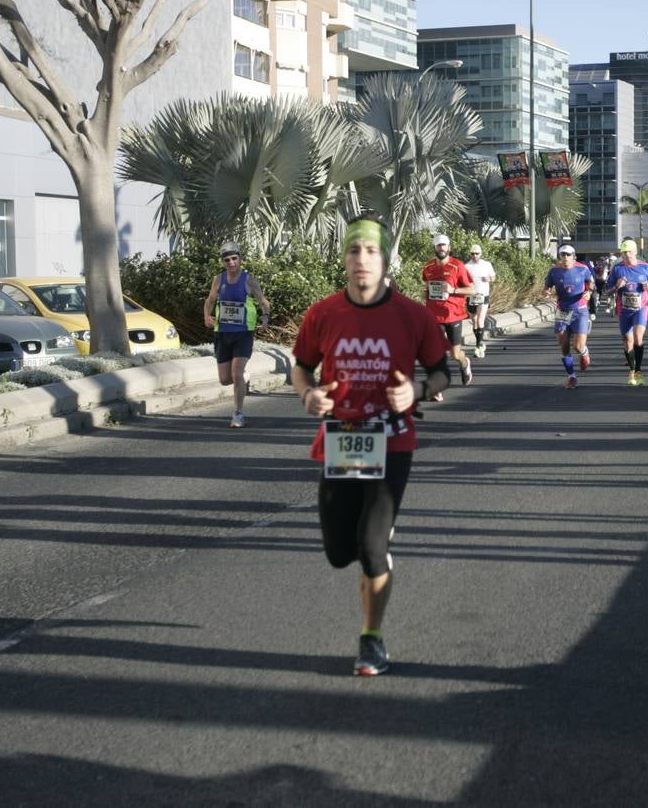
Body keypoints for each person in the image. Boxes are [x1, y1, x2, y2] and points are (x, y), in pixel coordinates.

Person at [291, 216, 451, 676]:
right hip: (342, 439)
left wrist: (417, 391)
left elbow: (443, 370)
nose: (362, 259)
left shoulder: (412, 314)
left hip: (393, 439)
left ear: (385, 259)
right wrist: (308, 394)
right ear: (344, 258)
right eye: (354, 251)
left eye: (372, 251)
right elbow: (301, 367)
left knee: (372, 546)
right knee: (341, 552)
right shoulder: (323, 313)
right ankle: (371, 550)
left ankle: (371, 640)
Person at [203, 242, 271, 428]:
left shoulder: (249, 280)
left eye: (234, 259)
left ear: (240, 259)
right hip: (222, 333)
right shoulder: (219, 279)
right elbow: (209, 300)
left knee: (236, 373)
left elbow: (264, 302)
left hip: (243, 333)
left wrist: (265, 317)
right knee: (225, 379)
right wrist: (206, 316)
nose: (231, 263)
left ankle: (238, 413)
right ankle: (244, 378)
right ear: (223, 262)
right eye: (227, 260)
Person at [422, 233, 475, 397]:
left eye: (444, 245)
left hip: (453, 315)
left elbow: (472, 290)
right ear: (434, 248)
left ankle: (465, 363)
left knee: (455, 354)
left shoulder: (457, 266)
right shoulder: (428, 267)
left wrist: (453, 290)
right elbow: (426, 287)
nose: (441, 248)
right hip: (433, 315)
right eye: (438, 245)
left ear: (449, 247)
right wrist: (425, 294)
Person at [606, 239, 648, 385]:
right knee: (627, 341)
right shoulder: (617, 269)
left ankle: (638, 371)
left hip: (640, 308)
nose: (626, 255)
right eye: (623, 252)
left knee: (637, 337)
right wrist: (616, 287)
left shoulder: (645, 267)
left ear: (635, 252)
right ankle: (631, 370)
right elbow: (607, 291)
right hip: (624, 309)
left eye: (629, 251)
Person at [543, 244, 594, 388]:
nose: (565, 257)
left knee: (577, 346)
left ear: (574, 256)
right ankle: (572, 376)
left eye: (568, 255)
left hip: (580, 310)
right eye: (563, 255)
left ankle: (584, 352)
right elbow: (546, 287)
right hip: (563, 310)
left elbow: (591, 283)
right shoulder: (554, 271)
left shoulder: (582, 269)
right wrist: (546, 292)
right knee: (563, 344)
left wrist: (589, 291)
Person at [465, 243, 496, 359]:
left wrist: (489, 279)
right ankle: (481, 343)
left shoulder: (486, 265)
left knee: (480, 321)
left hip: (483, 295)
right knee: (474, 320)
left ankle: (478, 346)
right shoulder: (466, 266)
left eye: (477, 253)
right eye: (472, 254)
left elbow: (493, 277)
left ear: (481, 254)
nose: (475, 256)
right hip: (471, 295)